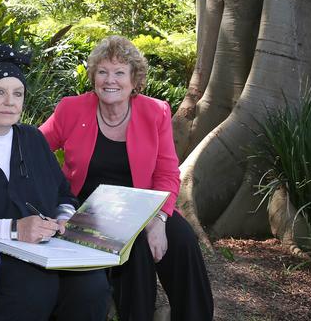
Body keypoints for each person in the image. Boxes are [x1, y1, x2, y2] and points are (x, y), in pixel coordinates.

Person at [40, 36, 213, 321]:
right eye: (103, 71)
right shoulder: (71, 109)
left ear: (134, 80)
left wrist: (159, 220)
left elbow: (168, 173)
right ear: (93, 76)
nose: (111, 80)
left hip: (141, 207)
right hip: (88, 210)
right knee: (135, 247)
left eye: (120, 72)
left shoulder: (155, 112)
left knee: (182, 241)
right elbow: (34, 148)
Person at [0, 44, 110, 321]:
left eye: (18, 93)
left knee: (92, 286)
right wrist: (15, 229)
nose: (10, 102)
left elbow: (63, 195)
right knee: (34, 288)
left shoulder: (32, 139)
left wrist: (65, 220)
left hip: (47, 249)